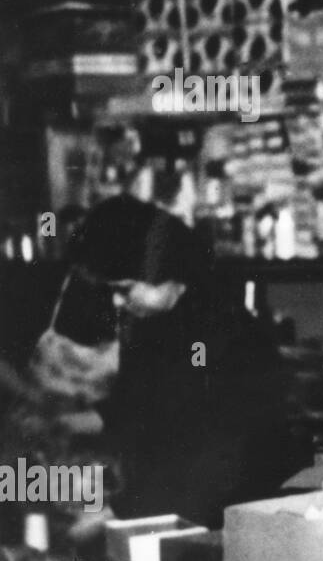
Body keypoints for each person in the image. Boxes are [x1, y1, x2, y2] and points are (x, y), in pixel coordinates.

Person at [0, 195, 292, 534]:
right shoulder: (155, 321)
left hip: (221, 512)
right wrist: (67, 423)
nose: (117, 301)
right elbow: (137, 406)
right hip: (162, 492)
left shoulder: (219, 333)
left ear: (163, 270)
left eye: (125, 289)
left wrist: (116, 513)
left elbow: (201, 449)